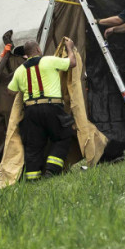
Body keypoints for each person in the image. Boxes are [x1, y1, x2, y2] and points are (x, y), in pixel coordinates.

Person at [7, 38, 77, 180]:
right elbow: (72, 62)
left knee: (33, 146)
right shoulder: (49, 60)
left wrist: (24, 88)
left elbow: (10, 91)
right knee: (63, 136)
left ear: (26, 54)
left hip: (31, 111)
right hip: (52, 107)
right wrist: (70, 47)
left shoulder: (20, 70)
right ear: (38, 49)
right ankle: (51, 170)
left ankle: (32, 178)